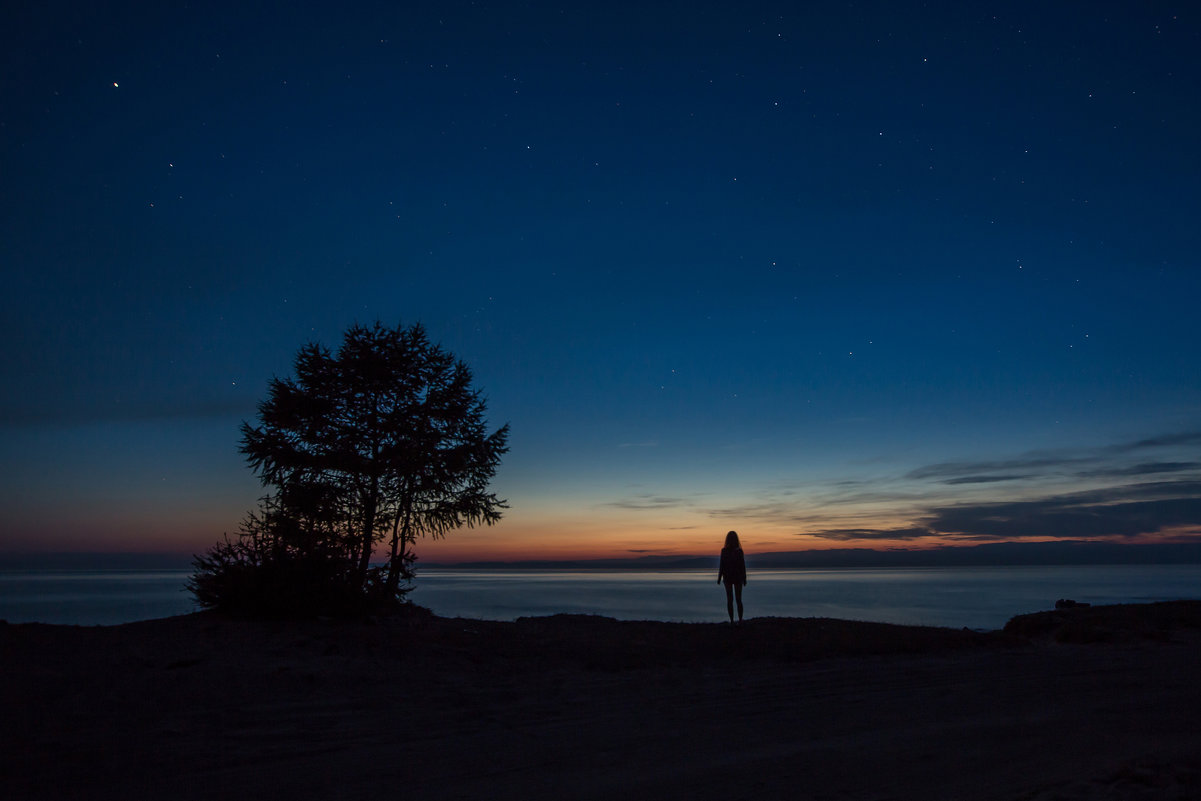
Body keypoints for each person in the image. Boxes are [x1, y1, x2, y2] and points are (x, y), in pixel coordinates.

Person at [717, 530, 747, 623]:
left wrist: (719, 578)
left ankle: (732, 621)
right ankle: (739, 620)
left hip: (729, 577)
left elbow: (722, 565)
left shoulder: (725, 551)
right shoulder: (738, 551)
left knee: (731, 600)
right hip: (736, 577)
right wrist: (744, 578)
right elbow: (742, 566)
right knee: (738, 600)